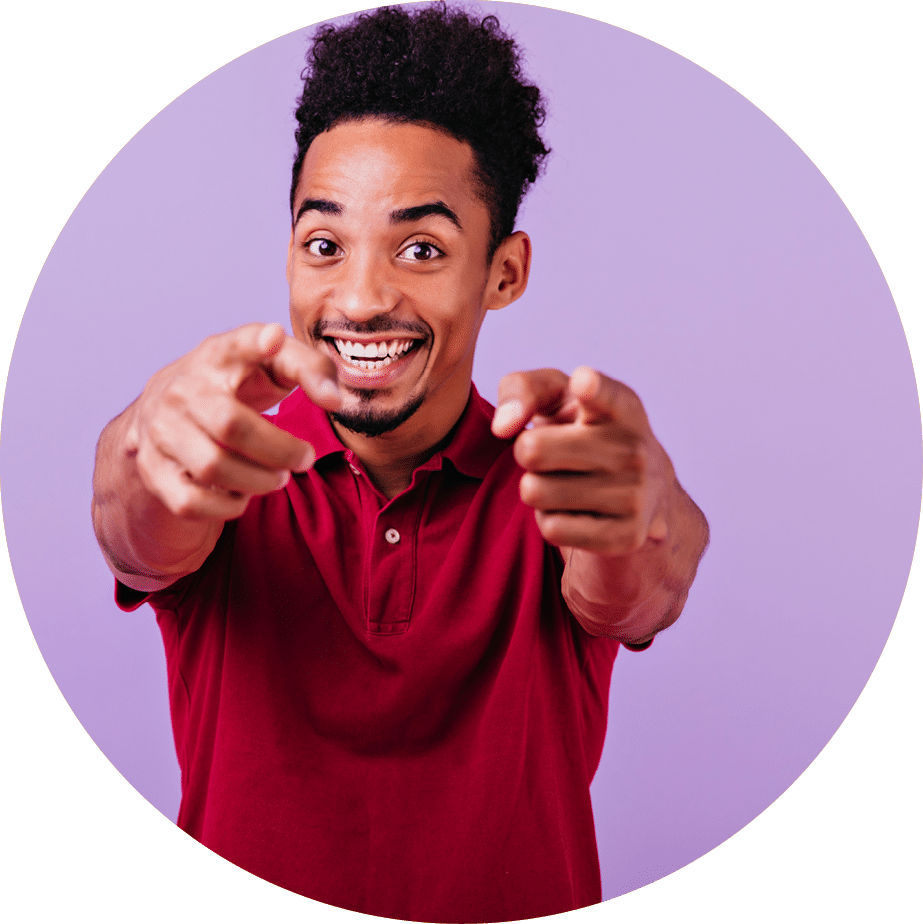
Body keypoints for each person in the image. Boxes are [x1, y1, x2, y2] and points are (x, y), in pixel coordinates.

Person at [92, 4, 708, 920]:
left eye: (421, 248)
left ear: (502, 273)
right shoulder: (223, 461)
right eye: (324, 244)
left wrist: (643, 517)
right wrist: (144, 444)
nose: (362, 297)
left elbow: (640, 585)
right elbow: (134, 529)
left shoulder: (558, 479)